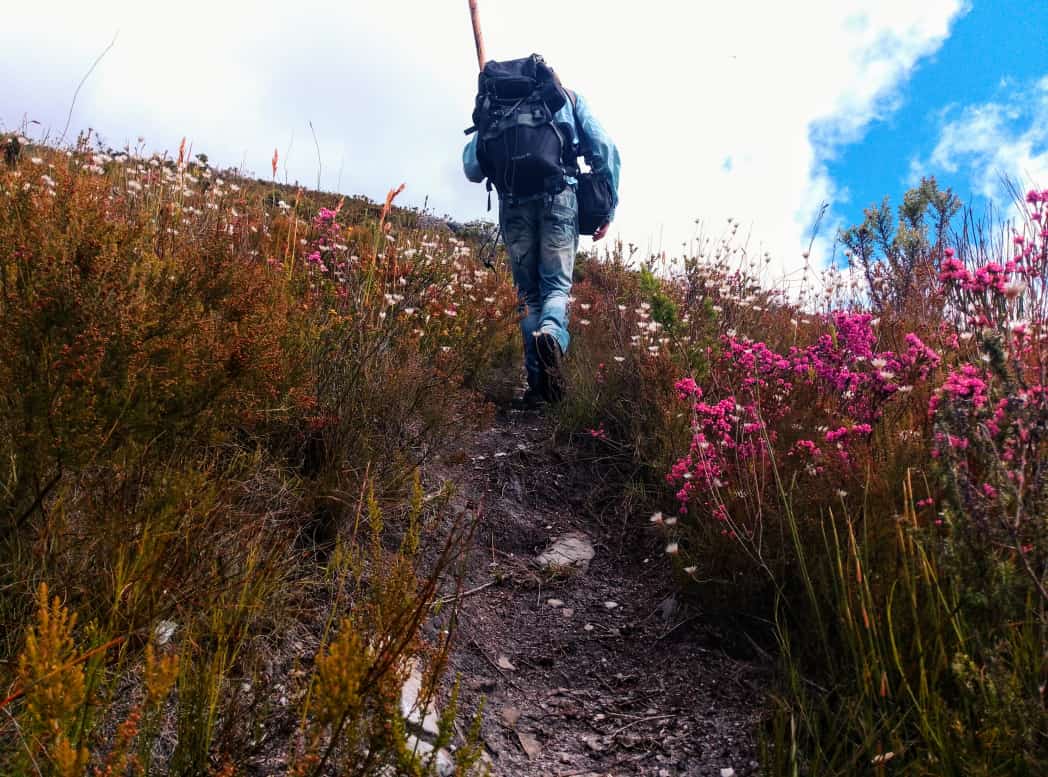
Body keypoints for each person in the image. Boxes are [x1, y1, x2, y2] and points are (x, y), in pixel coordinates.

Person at [462, 58, 620, 406]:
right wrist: (608, 206)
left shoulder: (495, 104)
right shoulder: (568, 98)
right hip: (559, 198)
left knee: (528, 295)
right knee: (556, 287)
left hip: (514, 204)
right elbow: (604, 148)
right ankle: (552, 334)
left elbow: (473, 168)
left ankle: (537, 388)